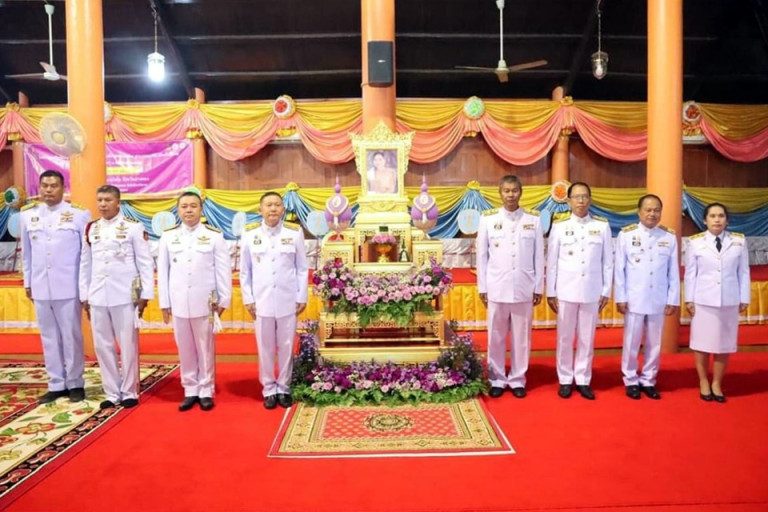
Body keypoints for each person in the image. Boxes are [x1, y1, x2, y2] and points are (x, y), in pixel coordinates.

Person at [79, 185, 154, 410]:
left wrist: (145, 294)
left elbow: (145, 263)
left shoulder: (133, 227)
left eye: (108, 200)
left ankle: (129, 390)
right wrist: (84, 294)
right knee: (102, 346)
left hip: (125, 295)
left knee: (128, 344)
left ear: (118, 202)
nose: (103, 204)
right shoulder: (91, 228)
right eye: (100, 200)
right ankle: (111, 392)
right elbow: (85, 264)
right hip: (98, 294)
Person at [157, 189, 231, 412]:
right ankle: (190, 389)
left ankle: (206, 390)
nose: (188, 210)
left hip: (205, 301)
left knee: (205, 347)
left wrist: (223, 300)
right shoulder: (168, 237)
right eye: (184, 206)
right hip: (179, 300)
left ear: (201, 209)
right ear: (178, 210)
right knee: (185, 348)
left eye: (193, 206)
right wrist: (164, 303)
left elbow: (223, 271)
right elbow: (163, 271)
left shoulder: (214, 236)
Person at [20, 170, 91, 404]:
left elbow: (85, 255)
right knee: (48, 336)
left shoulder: (78, 215)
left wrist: (84, 285)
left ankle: (75, 382)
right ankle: (56, 383)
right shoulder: (28, 216)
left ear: (63, 188)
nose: (48, 190)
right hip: (41, 285)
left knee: (71, 335)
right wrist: (28, 282)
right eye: (44, 186)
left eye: (53, 186)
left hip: (68, 285)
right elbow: (27, 255)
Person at [477, 175, 544, 399]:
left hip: (524, 286)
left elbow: (539, 256)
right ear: (500, 192)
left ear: (520, 192)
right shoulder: (488, 219)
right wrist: (483, 287)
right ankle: (496, 378)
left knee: (521, 338)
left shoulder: (533, 219)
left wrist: (538, 286)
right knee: (495, 336)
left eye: (514, 190)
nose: (510, 195)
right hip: (497, 286)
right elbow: (482, 256)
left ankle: (517, 379)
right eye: (506, 191)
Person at [240, 192, 308, 409]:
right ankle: (269, 388)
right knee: (265, 346)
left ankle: (284, 387)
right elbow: (245, 271)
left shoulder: (294, 232)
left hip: (288, 298)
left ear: (283, 209)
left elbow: (302, 268)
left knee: (287, 345)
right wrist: (248, 298)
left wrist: (301, 295)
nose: (273, 209)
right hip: (261, 300)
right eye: (268, 205)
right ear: (260, 210)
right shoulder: (250, 234)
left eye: (277, 205)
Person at [546, 182, 613, 400]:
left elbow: (607, 262)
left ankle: (583, 378)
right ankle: (565, 379)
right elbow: (552, 262)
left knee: (587, 338)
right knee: (564, 338)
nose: (581, 201)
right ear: (569, 201)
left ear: (590, 200)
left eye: (585, 196)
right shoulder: (559, 227)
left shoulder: (601, 226)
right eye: (576, 197)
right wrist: (551, 292)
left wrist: (606, 290)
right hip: (566, 290)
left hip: (592, 290)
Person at [614, 194, 680, 400]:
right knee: (631, 341)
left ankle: (649, 379)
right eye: (648, 210)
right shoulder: (627, 235)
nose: (652, 214)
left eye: (656, 210)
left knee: (655, 342)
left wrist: (673, 298)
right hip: (634, 297)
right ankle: (630, 379)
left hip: (658, 297)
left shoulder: (668, 237)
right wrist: (620, 296)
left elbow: (673, 271)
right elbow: (619, 269)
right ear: (639, 212)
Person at [684, 203, 750, 403]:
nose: (717, 219)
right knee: (701, 343)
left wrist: (744, 297)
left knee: (724, 343)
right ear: (705, 220)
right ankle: (704, 380)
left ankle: (717, 383)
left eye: (721, 216)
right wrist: (689, 298)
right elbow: (691, 273)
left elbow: (743, 272)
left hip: (729, 299)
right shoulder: (695, 242)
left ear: (727, 220)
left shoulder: (738, 241)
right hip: (703, 300)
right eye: (712, 216)